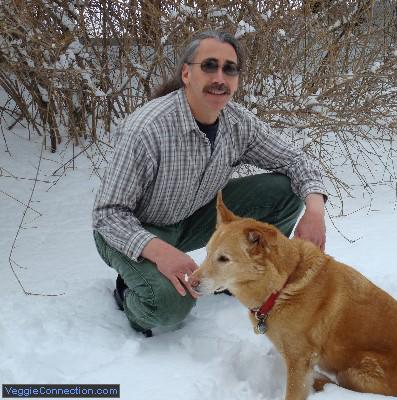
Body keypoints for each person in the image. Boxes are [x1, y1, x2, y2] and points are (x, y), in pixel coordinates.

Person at [92, 30, 327, 336]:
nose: (220, 77)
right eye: (209, 66)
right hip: (133, 230)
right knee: (170, 304)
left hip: (192, 215)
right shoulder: (148, 129)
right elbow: (107, 215)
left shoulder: (238, 122)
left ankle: (238, 274)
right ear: (186, 73)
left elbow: (295, 161)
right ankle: (130, 295)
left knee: (285, 192)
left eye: (230, 69)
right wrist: (160, 252)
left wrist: (315, 212)